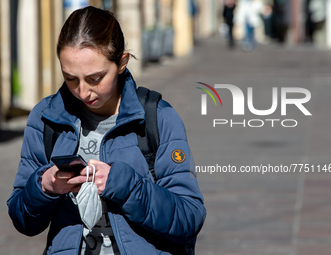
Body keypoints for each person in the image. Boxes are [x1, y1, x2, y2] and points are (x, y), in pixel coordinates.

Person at [7, 6, 206, 255]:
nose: (83, 91)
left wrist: (124, 185)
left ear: (122, 62)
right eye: (70, 78)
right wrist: (44, 186)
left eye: (95, 78)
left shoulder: (158, 118)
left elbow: (189, 217)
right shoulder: (45, 119)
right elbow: (22, 219)